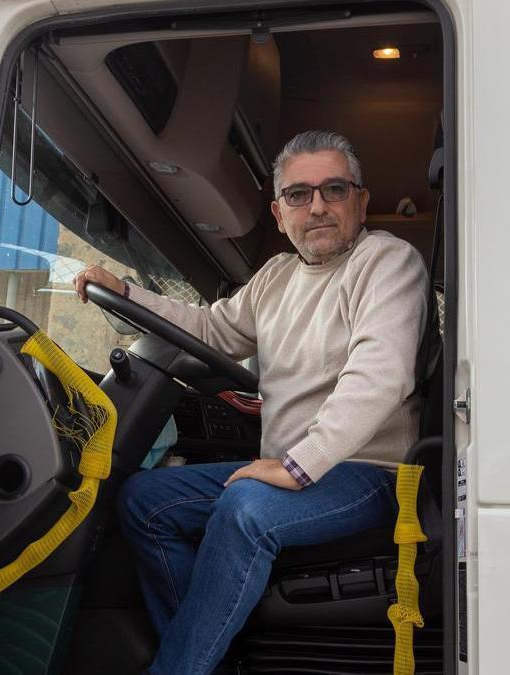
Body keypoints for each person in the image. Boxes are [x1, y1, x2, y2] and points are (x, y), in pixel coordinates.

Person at [73, 130, 428, 675]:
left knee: (246, 512)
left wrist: (296, 466)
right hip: (288, 470)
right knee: (145, 501)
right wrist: (127, 295)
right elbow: (212, 330)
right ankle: (208, 659)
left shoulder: (387, 262)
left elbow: (380, 375)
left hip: (366, 473)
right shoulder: (276, 277)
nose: (318, 207)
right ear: (279, 212)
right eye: (299, 195)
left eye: (334, 190)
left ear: (360, 201)